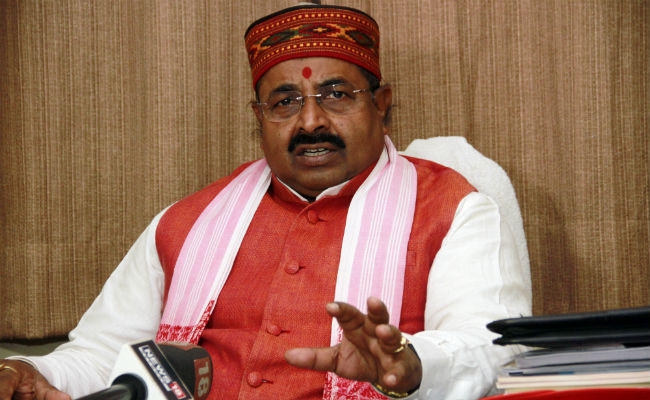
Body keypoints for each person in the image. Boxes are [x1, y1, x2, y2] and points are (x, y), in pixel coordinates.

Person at [0, 2, 531, 399]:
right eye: (285, 102)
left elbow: (492, 349)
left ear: (382, 105)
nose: (311, 121)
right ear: (259, 118)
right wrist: (31, 372)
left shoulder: (453, 210)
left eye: (337, 95)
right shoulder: (186, 223)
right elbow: (102, 354)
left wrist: (412, 365)